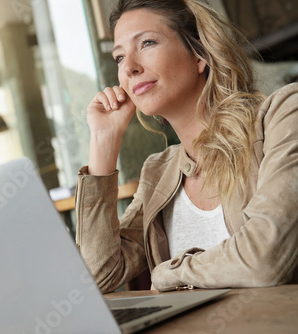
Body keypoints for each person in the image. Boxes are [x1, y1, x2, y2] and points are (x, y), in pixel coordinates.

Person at [76, 0, 298, 293]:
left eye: (147, 43)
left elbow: (265, 260)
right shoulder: (159, 171)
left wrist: (169, 273)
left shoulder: (282, 116)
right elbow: (97, 276)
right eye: (119, 58)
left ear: (199, 56)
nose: (129, 67)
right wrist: (104, 142)